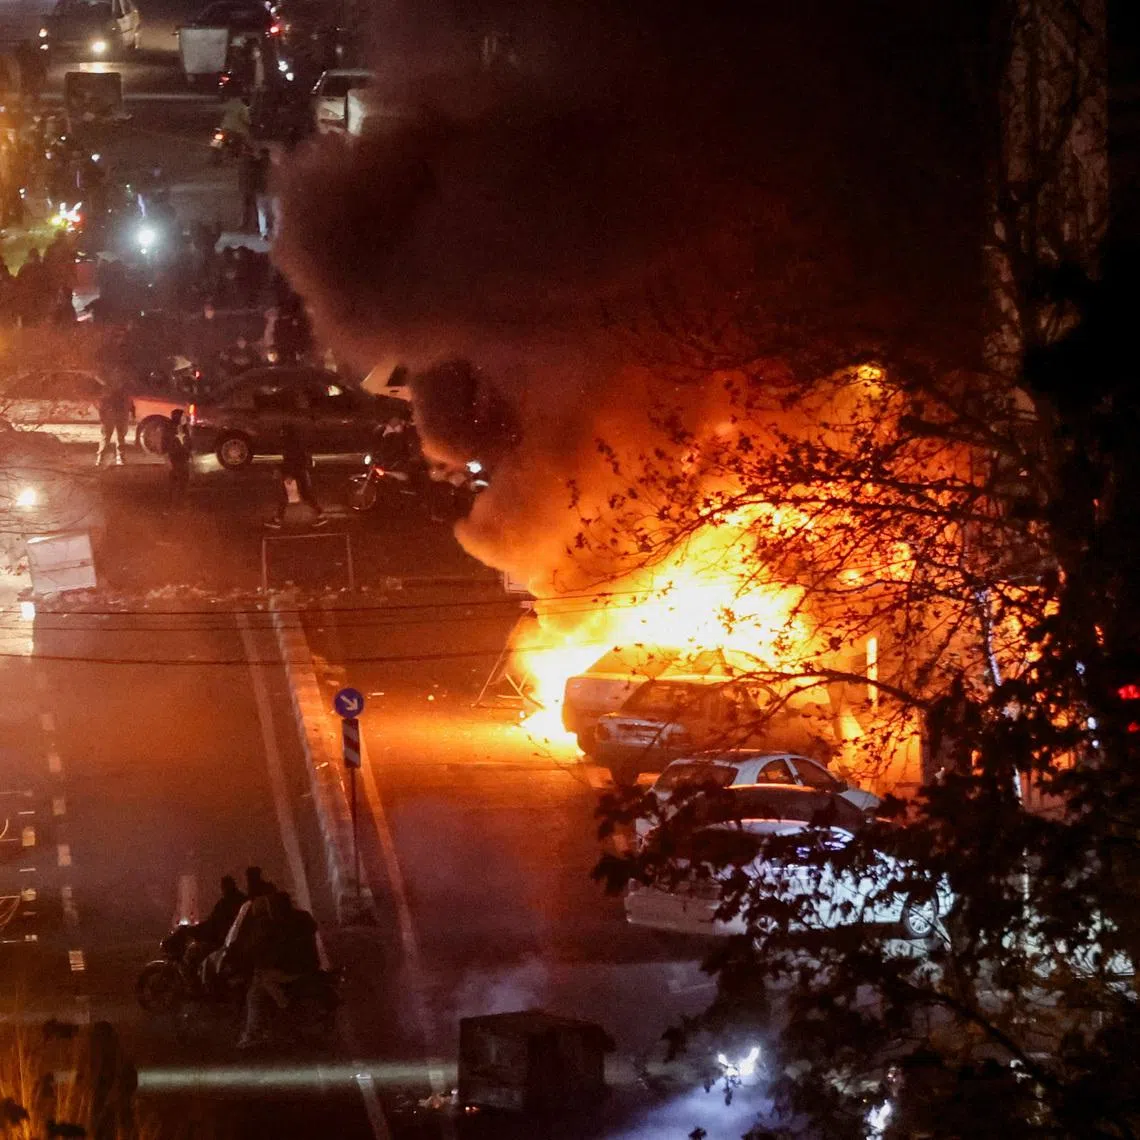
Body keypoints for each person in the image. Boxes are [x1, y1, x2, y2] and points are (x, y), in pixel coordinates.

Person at [238, 890, 320, 1048]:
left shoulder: (281, 923)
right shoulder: (302, 918)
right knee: (260, 984)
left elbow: (277, 949)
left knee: (258, 986)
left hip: (294, 969)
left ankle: (280, 1014)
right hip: (309, 965)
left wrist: (261, 959)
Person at [267, 424, 325, 528]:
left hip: (296, 473)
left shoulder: (290, 446)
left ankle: (278, 519)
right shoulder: (296, 444)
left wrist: (287, 473)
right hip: (300, 472)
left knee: (286, 495)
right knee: (305, 495)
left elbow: (292, 462)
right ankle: (321, 515)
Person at [187, 875, 246, 949]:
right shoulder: (242, 900)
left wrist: (192, 930)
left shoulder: (224, 904)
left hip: (222, 941)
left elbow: (212, 923)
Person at [95, 380, 131, 467]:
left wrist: (102, 416)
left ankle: (102, 458)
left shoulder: (108, 390)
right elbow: (127, 403)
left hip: (113, 415)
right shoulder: (121, 390)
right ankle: (118, 458)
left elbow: (101, 405)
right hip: (115, 415)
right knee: (117, 437)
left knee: (109, 437)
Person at [161, 408, 191, 507]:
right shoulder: (169, 428)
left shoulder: (185, 427)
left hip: (184, 457)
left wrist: (189, 453)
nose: (185, 418)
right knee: (174, 480)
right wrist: (167, 459)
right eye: (182, 416)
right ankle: (171, 502)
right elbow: (164, 444)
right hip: (174, 457)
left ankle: (180, 501)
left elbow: (188, 441)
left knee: (184, 480)